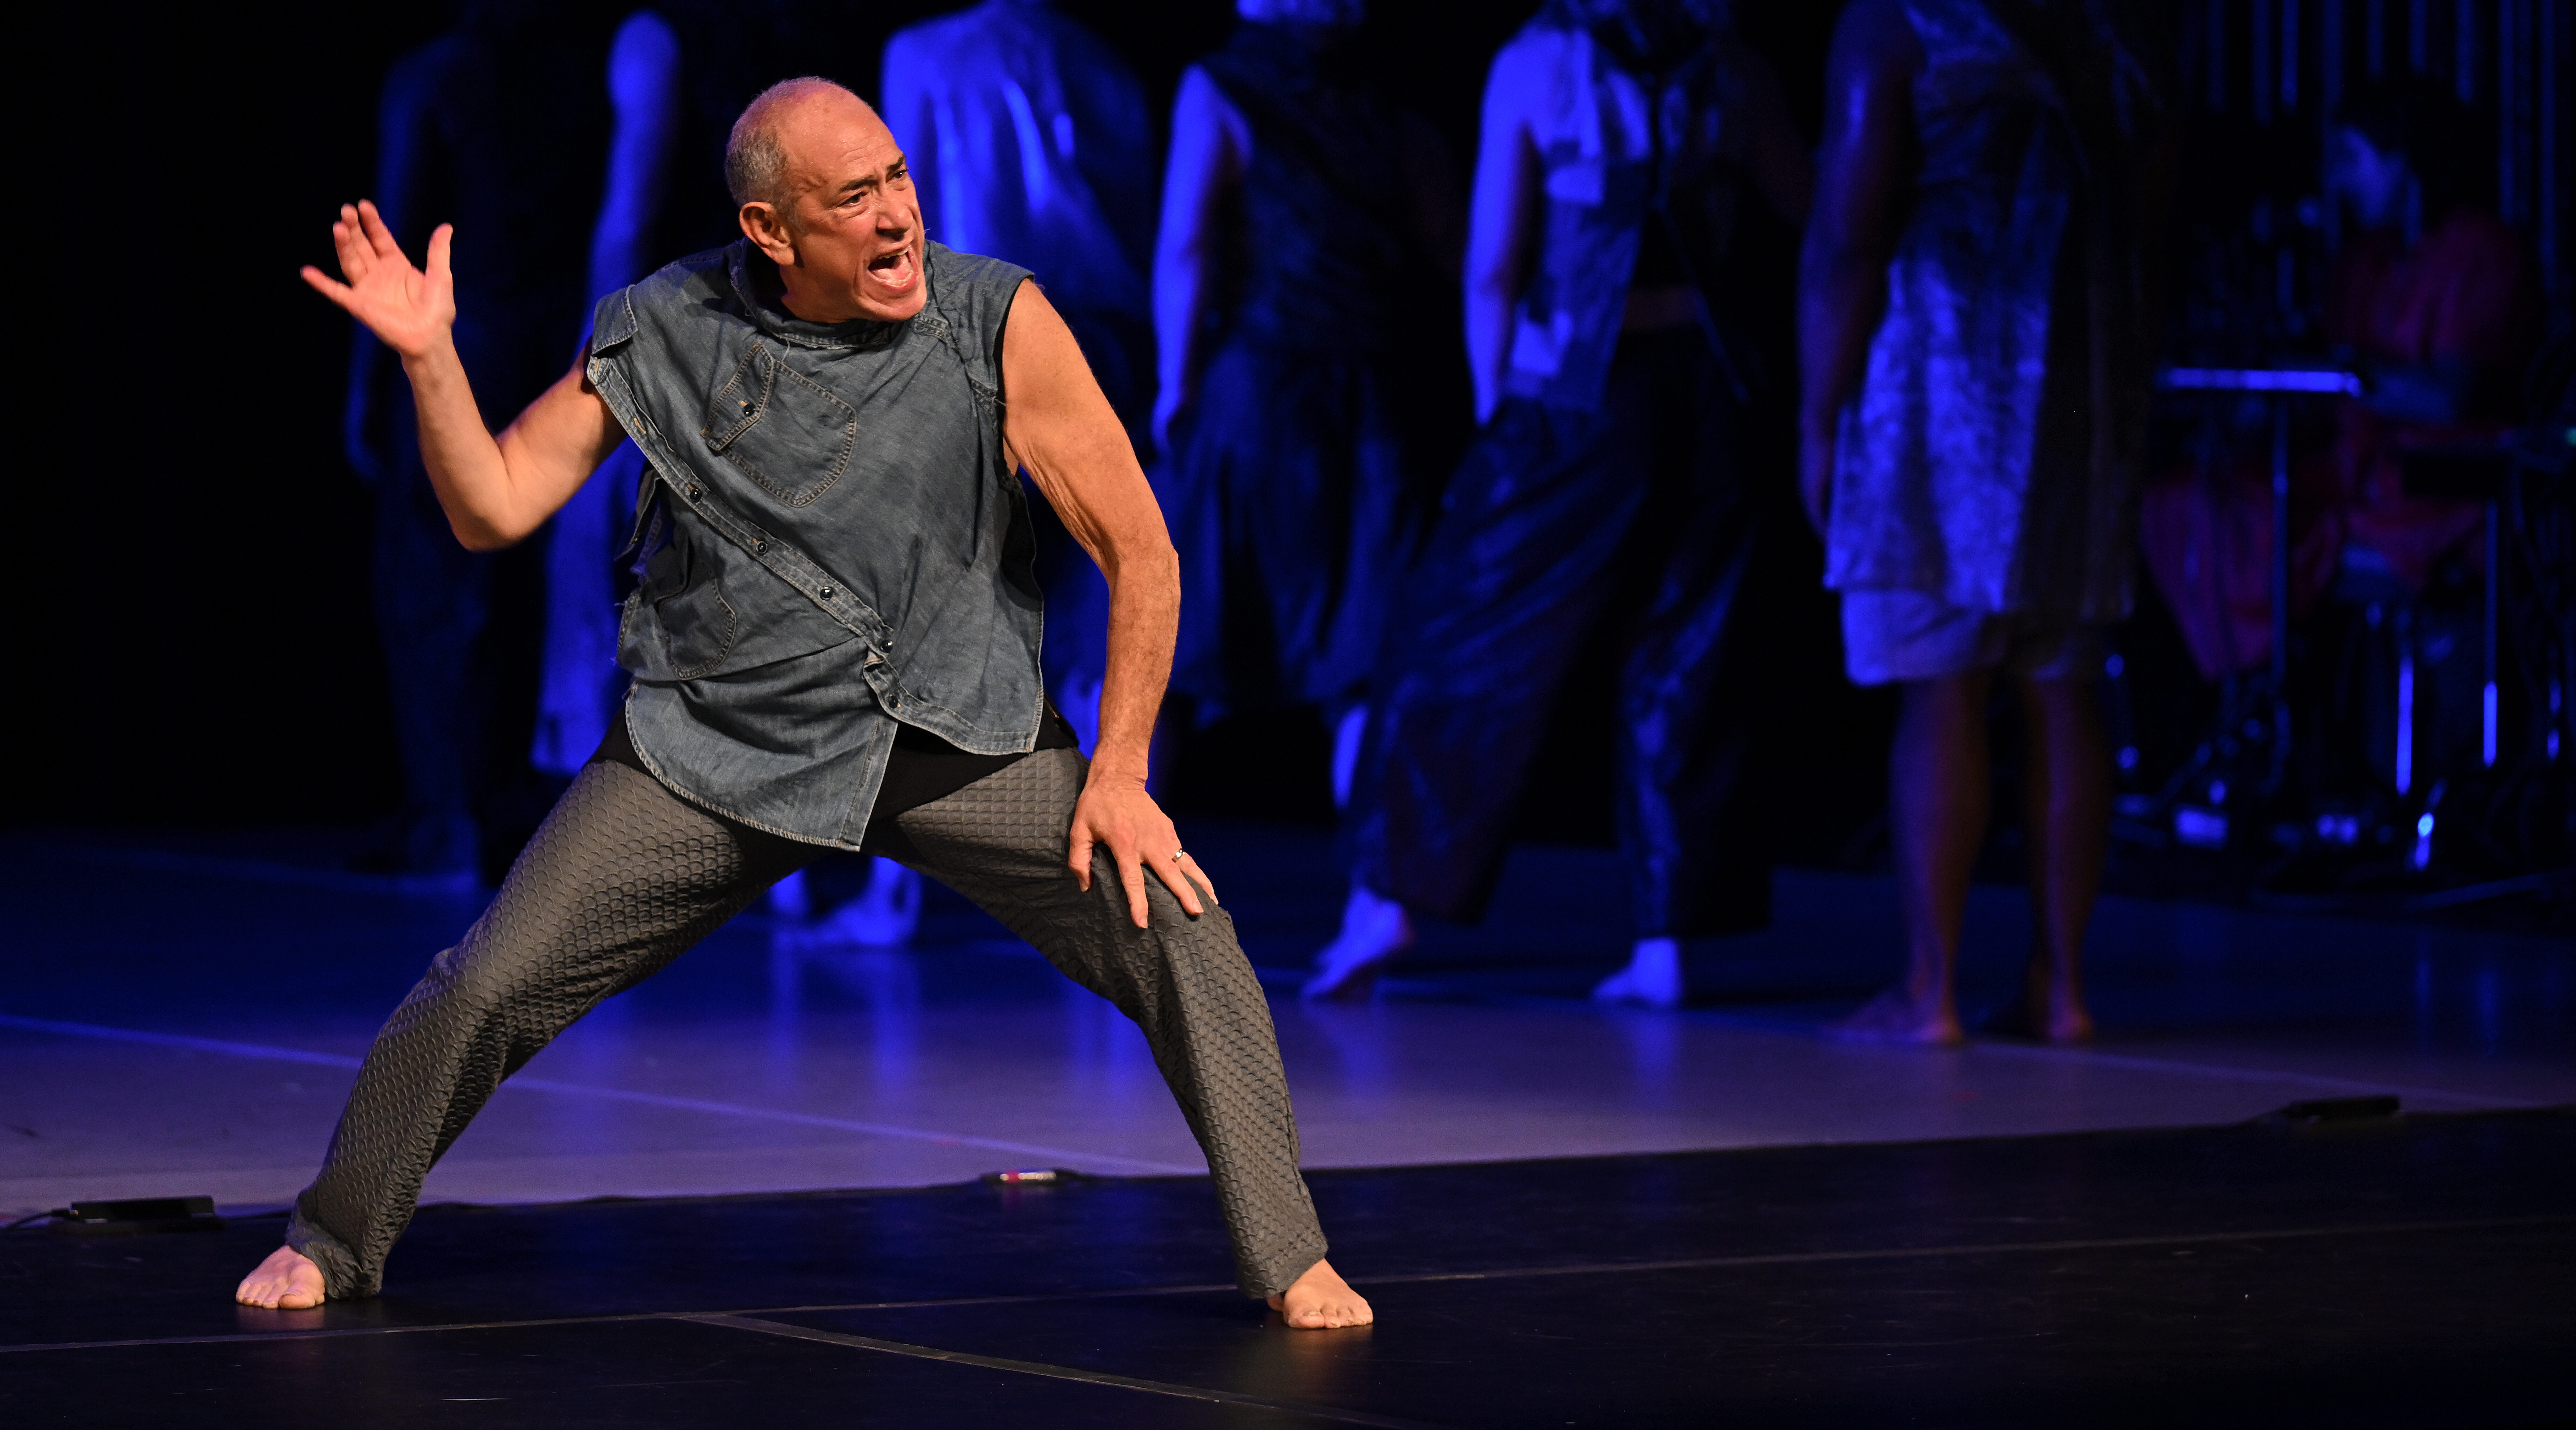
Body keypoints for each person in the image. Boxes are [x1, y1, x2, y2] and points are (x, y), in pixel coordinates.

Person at [236, 79, 1369, 1330]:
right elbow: (493, 504)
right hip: (713, 752)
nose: (897, 216)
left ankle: (1290, 1252)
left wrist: (1119, 770)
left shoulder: (998, 319)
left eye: (898, 177)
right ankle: (334, 1237)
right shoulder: (666, 324)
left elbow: (1142, 551)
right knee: (486, 981)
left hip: (954, 740)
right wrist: (429, 358)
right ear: (772, 231)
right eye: (854, 197)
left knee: (1182, 930)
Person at [1309, 0, 1810, 1005]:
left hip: (1576, 392)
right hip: (1712, 387)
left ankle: (1391, 902)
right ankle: (1667, 942)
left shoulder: (1540, 62)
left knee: (1457, 638)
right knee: (1686, 655)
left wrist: (1502, 427)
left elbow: (1496, 266)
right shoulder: (1731, 65)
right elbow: (1814, 218)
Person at [1798, 0, 2165, 1045]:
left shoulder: (1900, 23)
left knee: (1941, 679)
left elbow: (1847, 240)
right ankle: (2063, 985)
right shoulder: (2119, 30)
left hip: (1941, 382)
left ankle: (1931, 988)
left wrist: (1818, 414)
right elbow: (2152, 216)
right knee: (2063, 680)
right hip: (2087, 386)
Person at [1153, 0, 1465, 802]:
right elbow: (1449, 248)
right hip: (1373, 402)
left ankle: (1106, 887)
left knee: (1165, 652)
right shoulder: (1392, 105)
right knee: (1363, 655)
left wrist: (1176, 388)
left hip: (1260, 398)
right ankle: (1371, 899)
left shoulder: (1220, 87)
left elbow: (1188, 248)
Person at [351, 1, 610, 882]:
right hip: (554, 343)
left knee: (435, 585)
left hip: (467, 338)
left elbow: (389, 234)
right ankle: (501, 808)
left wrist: (363, 383)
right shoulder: (583, 63)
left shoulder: (437, 72)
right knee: (524, 581)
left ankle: (450, 817)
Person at [883, 0, 1162, 754]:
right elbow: (1138, 231)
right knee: (1087, 612)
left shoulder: (923, 53)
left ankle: (898, 865)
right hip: (1100, 347)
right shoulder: (1104, 61)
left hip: (969, 344)